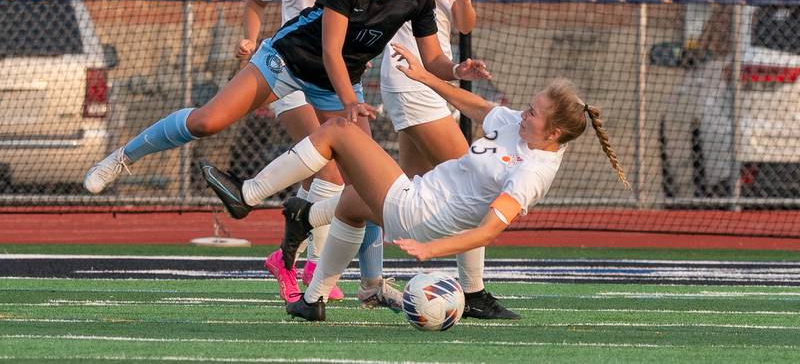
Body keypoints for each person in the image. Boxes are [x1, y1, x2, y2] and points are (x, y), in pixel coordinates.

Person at [85, 0, 490, 308]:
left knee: (366, 183)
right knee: (206, 122)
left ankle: (371, 286)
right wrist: (349, 102)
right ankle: (122, 158)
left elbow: (434, 59)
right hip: (286, 61)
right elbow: (330, 49)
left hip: (337, 82)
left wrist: (457, 70)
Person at [202, 43, 630, 321]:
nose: (523, 113)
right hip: (418, 199)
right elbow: (479, 107)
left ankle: (248, 194)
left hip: (419, 212)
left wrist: (432, 250)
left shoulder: (534, 170)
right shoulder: (518, 128)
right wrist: (427, 77)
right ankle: (312, 300)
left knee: (339, 131)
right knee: (351, 205)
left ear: (553, 134)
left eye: (534, 113)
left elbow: (489, 230)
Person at [377, 0, 517, 320]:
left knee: (404, 191)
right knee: (475, 178)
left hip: (442, 73)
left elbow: (465, 25)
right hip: (407, 73)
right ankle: (474, 292)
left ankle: (314, 228)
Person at [237, 0, 355, 303]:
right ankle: (311, 267)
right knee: (329, 168)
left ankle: (284, 259)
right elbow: (255, 2)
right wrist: (250, 41)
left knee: (329, 172)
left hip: (335, 79)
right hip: (288, 70)